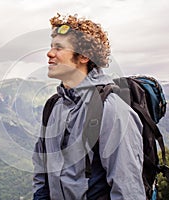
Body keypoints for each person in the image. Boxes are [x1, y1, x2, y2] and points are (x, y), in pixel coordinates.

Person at [32, 13, 146, 200]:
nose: (50, 53)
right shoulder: (54, 106)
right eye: (51, 46)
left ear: (84, 56)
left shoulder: (111, 109)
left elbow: (128, 190)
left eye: (59, 48)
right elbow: (41, 167)